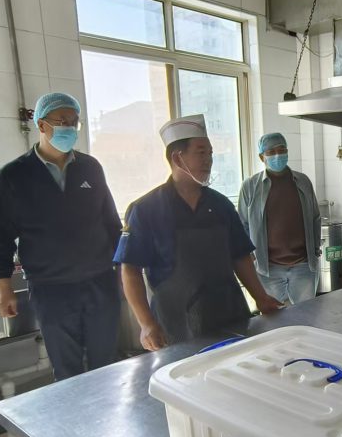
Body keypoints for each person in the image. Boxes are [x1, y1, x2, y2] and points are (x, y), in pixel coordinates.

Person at [0, 92, 121, 380]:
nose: (69, 127)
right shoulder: (13, 176)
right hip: (51, 287)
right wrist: (2, 286)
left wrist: (124, 270)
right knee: (66, 368)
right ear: (41, 125)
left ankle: (106, 409)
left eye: (74, 121)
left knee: (106, 362)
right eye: (62, 121)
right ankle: (72, 411)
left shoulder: (90, 168)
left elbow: (111, 223)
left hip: (99, 281)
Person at [114, 115, 281, 351]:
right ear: (177, 158)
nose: (209, 161)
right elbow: (130, 270)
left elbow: (240, 257)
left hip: (230, 316)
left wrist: (261, 298)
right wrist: (146, 324)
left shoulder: (221, 205)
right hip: (175, 323)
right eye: (201, 153)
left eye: (211, 154)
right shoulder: (146, 210)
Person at [239, 133, 322, 305]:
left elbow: (315, 217)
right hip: (268, 268)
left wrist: (315, 249)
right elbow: (242, 225)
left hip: (303, 265)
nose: (278, 155)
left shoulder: (302, 181)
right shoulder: (250, 186)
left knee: (307, 314)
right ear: (262, 157)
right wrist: (251, 256)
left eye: (281, 150)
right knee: (273, 316)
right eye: (271, 152)